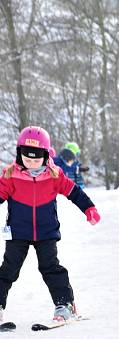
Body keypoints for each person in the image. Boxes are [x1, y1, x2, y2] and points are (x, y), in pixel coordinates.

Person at [0, 126, 101, 325]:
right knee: (9, 269)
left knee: (50, 267)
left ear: (46, 156)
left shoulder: (55, 175)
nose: (30, 164)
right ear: (19, 154)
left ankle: (65, 306)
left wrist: (89, 208)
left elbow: (75, 193)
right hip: (18, 232)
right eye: (26, 159)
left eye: (36, 160)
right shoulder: (11, 175)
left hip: (46, 233)